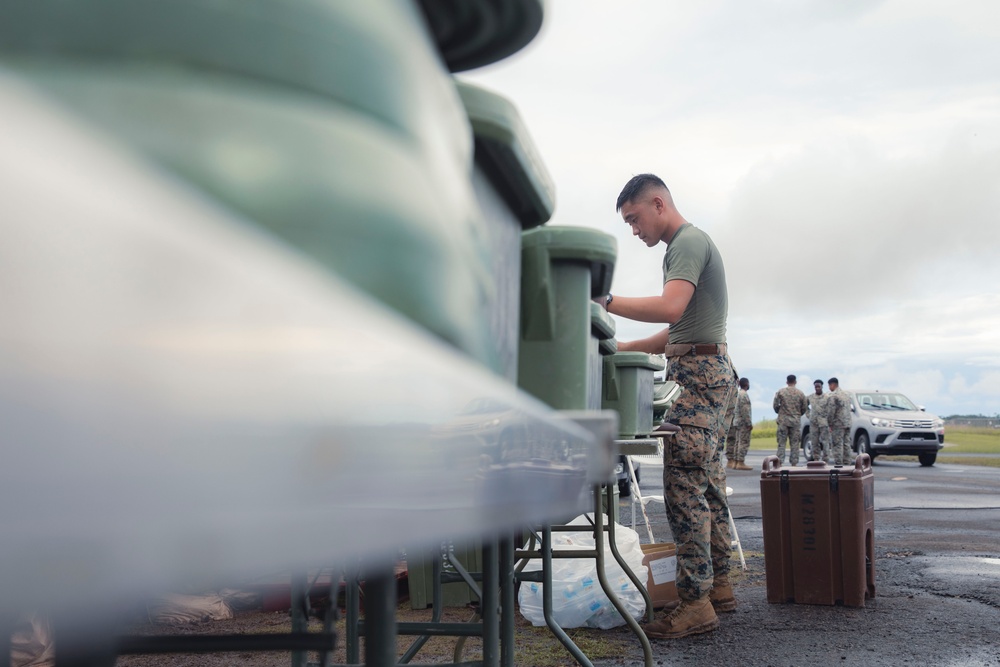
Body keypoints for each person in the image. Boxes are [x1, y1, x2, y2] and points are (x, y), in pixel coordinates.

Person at [602, 174, 737, 639]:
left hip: (699, 381)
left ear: (658, 204)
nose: (634, 230)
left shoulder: (685, 243)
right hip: (705, 370)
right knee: (707, 485)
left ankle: (694, 604)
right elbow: (676, 334)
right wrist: (625, 349)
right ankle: (718, 585)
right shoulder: (688, 245)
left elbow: (671, 309)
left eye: (635, 219)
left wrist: (606, 300)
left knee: (683, 487)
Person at [772, 374, 807, 466]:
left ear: (787, 382)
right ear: (795, 382)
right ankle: (794, 464)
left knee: (781, 443)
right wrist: (797, 414)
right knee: (795, 444)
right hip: (795, 421)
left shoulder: (781, 392)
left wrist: (780, 412)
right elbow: (804, 408)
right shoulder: (800, 393)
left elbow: (775, 406)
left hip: (783, 421)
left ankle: (779, 463)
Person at [726, 378, 753, 470]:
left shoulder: (737, 394)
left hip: (736, 421)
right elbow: (745, 410)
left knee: (737, 442)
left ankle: (735, 462)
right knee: (743, 442)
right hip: (742, 422)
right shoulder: (744, 395)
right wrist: (749, 423)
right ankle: (740, 461)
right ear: (746, 384)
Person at [826, 377, 853, 465]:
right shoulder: (847, 395)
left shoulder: (833, 396)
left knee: (837, 444)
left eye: (829, 386)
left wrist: (829, 424)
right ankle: (847, 462)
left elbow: (831, 411)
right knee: (846, 444)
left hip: (838, 423)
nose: (829, 388)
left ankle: (839, 464)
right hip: (847, 423)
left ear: (832, 385)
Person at [807, 379, 832, 463]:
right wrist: (808, 415)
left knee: (825, 442)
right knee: (814, 442)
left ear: (822, 387)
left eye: (819, 386)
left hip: (824, 423)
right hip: (813, 423)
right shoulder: (810, 397)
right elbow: (804, 406)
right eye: (816, 387)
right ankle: (816, 459)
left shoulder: (827, 397)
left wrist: (829, 422)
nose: (817, 388)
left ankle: (826, 459)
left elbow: (831, 410)